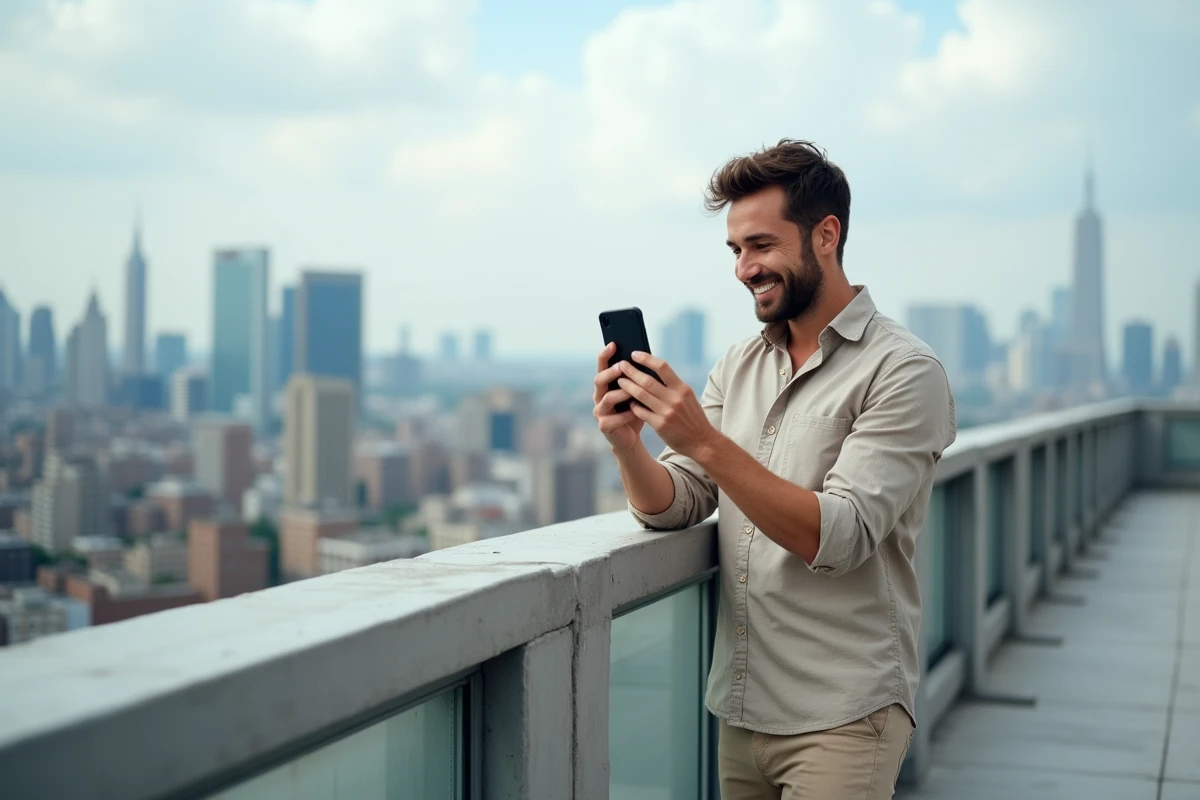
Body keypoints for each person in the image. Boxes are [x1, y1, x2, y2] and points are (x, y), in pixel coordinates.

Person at [592, 139, 956, 800]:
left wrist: (703, 440)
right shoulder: (740, 363)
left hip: (844, 718)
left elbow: (839, 536)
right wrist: (627, 444)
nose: (743, 269)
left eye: (760, 246)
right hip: (741, 709)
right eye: (735, 251)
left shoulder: (904, 372)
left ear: (826, 235)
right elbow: (677, 502)